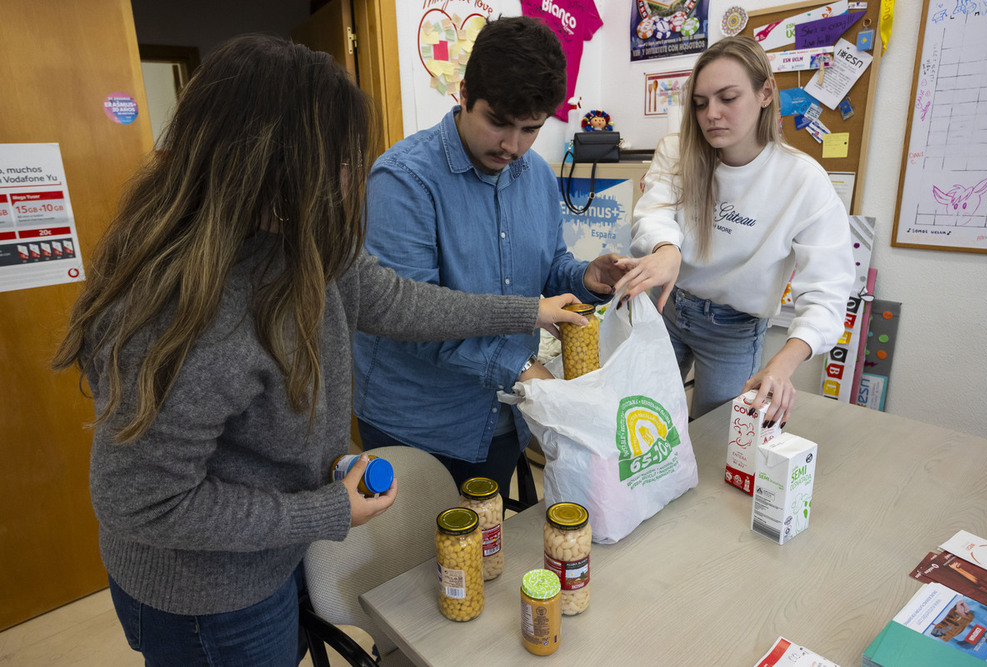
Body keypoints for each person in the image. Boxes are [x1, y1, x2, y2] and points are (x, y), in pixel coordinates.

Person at [51, 34, 588, 666]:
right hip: (206, 595)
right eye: (335, 159)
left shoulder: (299, 235)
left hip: (268, 552)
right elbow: (143, 502)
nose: (350, 178)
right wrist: (324, 511)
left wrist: (529, 310)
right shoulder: (190, 308)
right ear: (264, 164)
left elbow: (397, 301)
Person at [352, 16, 625, 499]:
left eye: (530, 129)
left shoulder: (536, 174)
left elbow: (546, 266)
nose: (512, 145)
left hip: (501, 414)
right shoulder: (403, 180)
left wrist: (585, 276)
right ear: (462, 93)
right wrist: (520, 367)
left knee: (483, 554)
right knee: (417, 562)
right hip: (418, 421)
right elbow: (407, 318)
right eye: (497, 122)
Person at [615, 35, 854, 427]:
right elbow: (654, 211)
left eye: (728, 98)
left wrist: (783, 363)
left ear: (765, 93)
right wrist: (666, 249)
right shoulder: (677, 151)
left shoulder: (802, 181)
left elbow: (828, 291)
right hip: (668, 308)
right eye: (700, 103)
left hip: (734, 332)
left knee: (715, 439)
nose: (712, 114)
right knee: (642, 422)